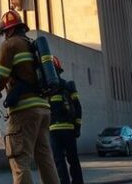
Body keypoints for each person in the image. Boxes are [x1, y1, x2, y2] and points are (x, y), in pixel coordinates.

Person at [0, 9, 60, 184]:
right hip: (43, 108)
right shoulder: (32, 45)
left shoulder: (9, 45)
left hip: (24, 110)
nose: (3, 37)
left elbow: (1, 77)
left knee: (19, 159)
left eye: (4, 33)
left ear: (8, 30)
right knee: (45, 159)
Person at [48, 56, 83, 184]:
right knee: (73, 160)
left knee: (59, 161)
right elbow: (78, 107)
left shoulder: (46, 89)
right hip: (69, 130)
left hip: (54, 131)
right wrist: (77, 127)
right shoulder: (68, 86)